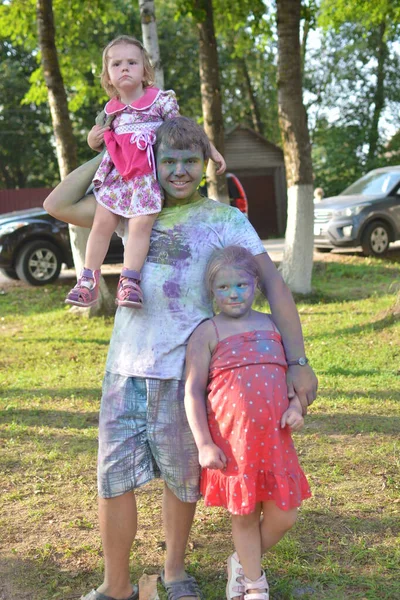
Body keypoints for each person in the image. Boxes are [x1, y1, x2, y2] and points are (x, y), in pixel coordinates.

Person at [43, 116, 317, 600]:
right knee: (113, 481)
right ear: (152, 160)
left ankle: (174, 571)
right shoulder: (130, 207)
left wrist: (297, 361)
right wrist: (115, 147)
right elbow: (58, 204)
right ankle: (116, 584)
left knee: (181, 481)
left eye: (190, 160)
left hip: (186, 374)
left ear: (205, 161)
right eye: (167, 160)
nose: (179, 171)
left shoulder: (224, 220)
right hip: (125, 369)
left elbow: (272, 284)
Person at [184, 246, 312, 600]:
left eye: (241, 284)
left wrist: (295, 407)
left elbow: (289, 380)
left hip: (274, 440)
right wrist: (204, 444)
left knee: (285, 515)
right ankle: (254, 583)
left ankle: (241, 561)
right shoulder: (207, 332)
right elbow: (192, 391)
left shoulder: (272, 325)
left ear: (255, 284)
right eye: (223, 287)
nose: (233, 293)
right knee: (243, 514)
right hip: (232, 444)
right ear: (212, 291)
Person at [65, 35, 225, 310]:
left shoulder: (160, 101)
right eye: (116, 64)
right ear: (108, 75)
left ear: (145, 70)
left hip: (146, 181)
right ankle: (87, 279)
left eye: (131, 62)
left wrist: (211, 150)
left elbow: (185, 130)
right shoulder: (111, 110)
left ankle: (129, 281)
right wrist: (93, 138)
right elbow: (98, 143)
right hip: (116, 179)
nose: (124, 68)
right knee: (102, 224)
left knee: (141, 226)